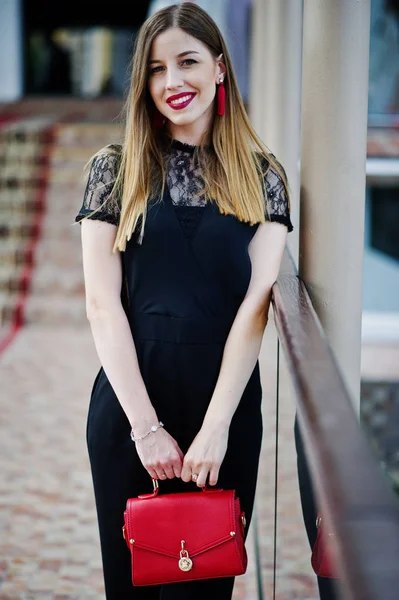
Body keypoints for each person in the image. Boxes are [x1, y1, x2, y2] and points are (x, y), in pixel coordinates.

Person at [75, 3, 293, 599]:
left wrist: (216, 427)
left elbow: (257, 307)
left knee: (204, 585)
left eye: (188, 62)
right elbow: (102, 305)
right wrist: (146, 430)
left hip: (224, 414)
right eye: (156, 69)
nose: (173, 83)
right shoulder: (113, 171)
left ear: (220, 68)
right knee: (133, 585)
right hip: (129, 410)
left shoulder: (263, 176)